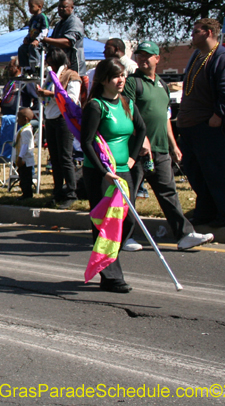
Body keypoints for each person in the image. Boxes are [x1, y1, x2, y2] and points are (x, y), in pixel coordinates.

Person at [124, 41, 214, 251]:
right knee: (129, 194)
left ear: (157, 58)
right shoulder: (132, 82)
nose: (143, 59)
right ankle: (125, 237)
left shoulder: (161, 84)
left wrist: (173, 145)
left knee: (168, 192)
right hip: (137, 150)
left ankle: (184, 235)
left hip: (160, 149)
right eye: (140, 55)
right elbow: (127, 113)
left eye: (148, 56)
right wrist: (141, 138)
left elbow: (165, 117)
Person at [81, 58, 146, 293]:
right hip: (100, 173)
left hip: (124, 171)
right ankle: (111, 277)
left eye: (124, 76)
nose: (122, 80)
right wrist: (104, 172)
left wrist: (132, 157)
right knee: (104, 223)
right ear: (105, 79)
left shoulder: (127, 103)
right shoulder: (96, 106)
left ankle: (106, 262)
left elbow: (141, 130)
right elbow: (86, 142)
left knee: (127, 219)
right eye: (117, 76)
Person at [177, 18, 225, 228]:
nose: (192, 35)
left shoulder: (224, 57)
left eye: (196, 31)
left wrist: (219, 115)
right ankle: (206, 213)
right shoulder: (197, 56)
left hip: (211, 126)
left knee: (219, 172)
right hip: (192, 127)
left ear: (209, 32)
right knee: (197, 171)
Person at [36, 49, 80, 209]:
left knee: (65, 157)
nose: (49, 66)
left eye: (51, 63)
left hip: (64, 119)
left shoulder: (71, 75)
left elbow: (72, 99)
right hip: (51, 117)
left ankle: (71, 192)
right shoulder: (50, 76)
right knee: (54, 158)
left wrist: (49, 93)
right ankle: (58, 191)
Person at [43, 0, 86, 74]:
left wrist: (46, 39)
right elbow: (52, 43)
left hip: (73, 67)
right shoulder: (59, 24)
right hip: (60, 67)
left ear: (72, 8)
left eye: (64, 7)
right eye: (59, 7)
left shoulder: (74, 22)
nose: (61, 9)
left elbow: (68, 42)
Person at [17, 0, 50, 78]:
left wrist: (37, 40)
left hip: (40, 43)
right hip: (31, 41)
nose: (30, 9)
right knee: (22, 49)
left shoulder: (43, 17)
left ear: (39, 6)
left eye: (32, 6)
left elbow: (45, 30)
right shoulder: (32, 19)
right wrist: (27, 38)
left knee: (33, 47)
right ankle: (26, 68)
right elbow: (31, 31)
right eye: (29, 7)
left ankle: (36, 68)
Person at [14, 107, 36, 200]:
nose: (17, 120)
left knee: (26, 178)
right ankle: (25, 193)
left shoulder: (26, 131)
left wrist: (20, 157)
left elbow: (25, 145)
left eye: (19, 118)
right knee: (22, 177)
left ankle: (27, 195)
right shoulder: (23, 129)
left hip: (25, 159)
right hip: (22, 158)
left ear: (25, 119)